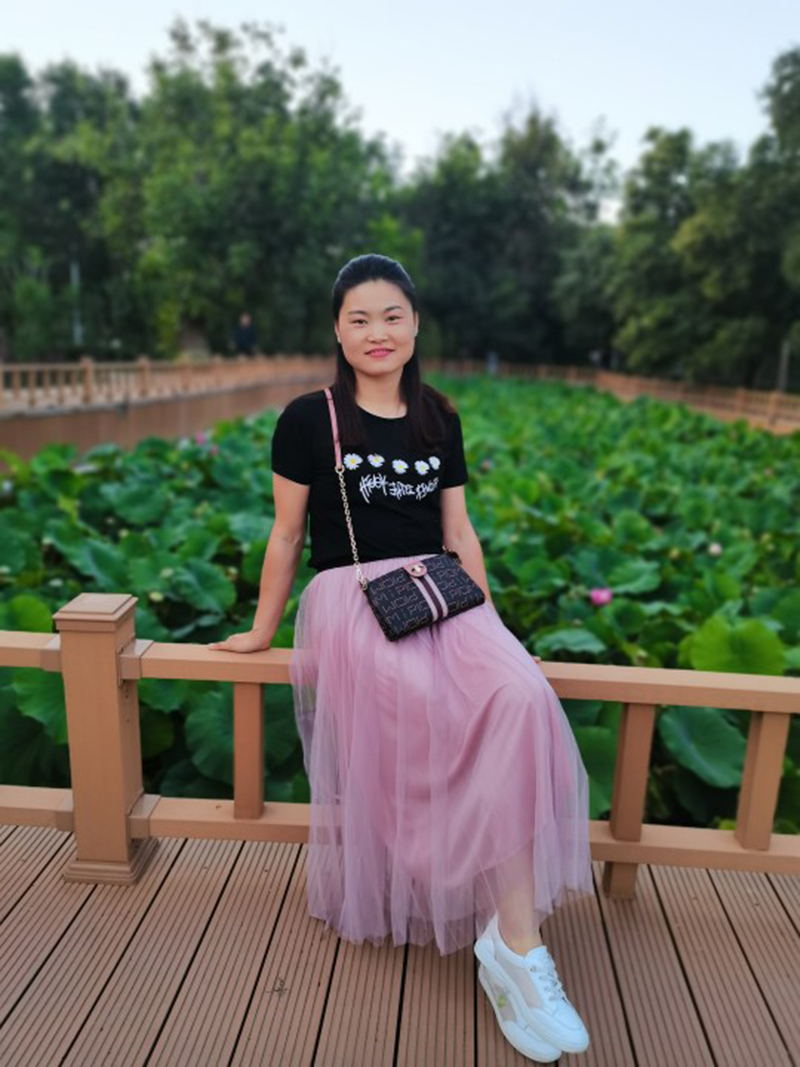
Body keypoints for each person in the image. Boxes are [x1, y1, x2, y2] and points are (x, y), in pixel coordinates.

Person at [207, 253, 594, 1062]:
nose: (376, 332)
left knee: (521, 697)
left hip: (441, 594)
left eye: (391, 316)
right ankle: (513, 944)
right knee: (418, 703)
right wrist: (261, 629)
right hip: (351, 595)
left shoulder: (438, 416)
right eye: (359, 319)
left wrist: (495, 631)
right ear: (338, 331)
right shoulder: (309, 419)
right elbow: (286, 534)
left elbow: (459, 531)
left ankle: (512, 945)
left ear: (415, 325)